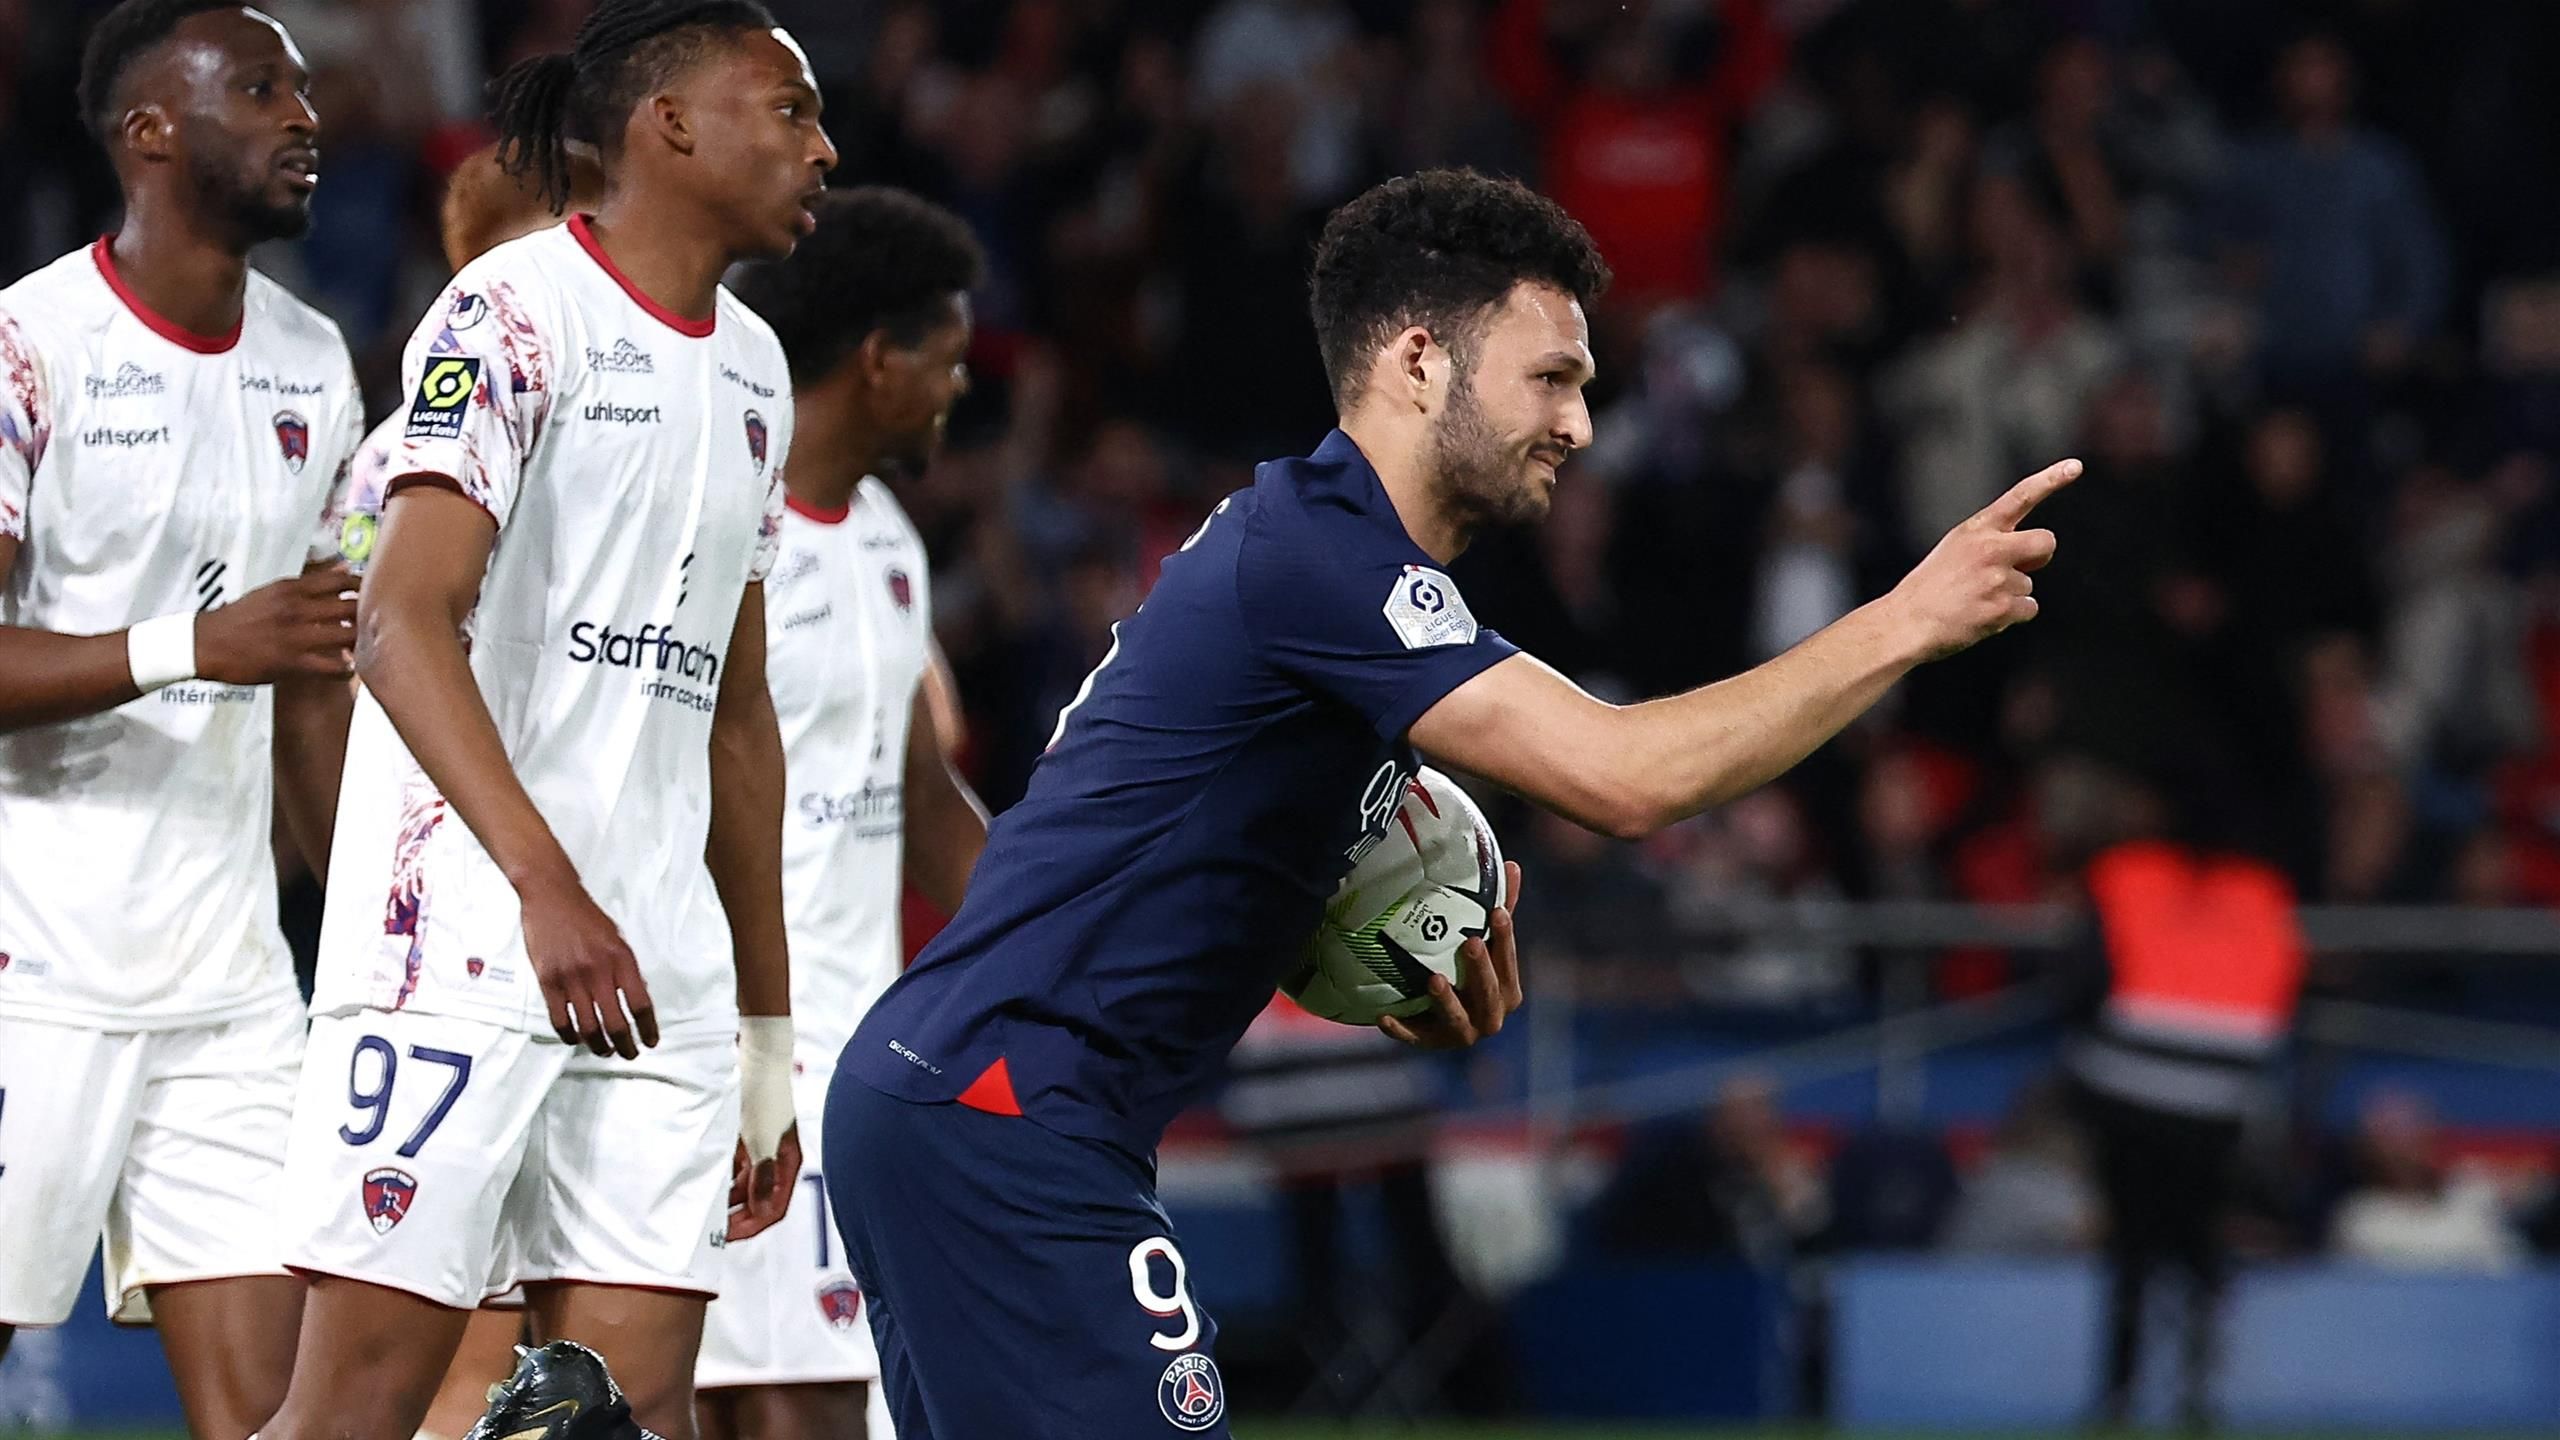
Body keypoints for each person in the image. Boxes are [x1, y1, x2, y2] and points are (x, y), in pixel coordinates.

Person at [820, 167, 2072, 1438]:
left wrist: (1368, 968)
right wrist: (1902, 622)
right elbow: (1626, 778)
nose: (1579, 425)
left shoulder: (1315, 555)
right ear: (1419, 362)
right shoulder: (1326, 564)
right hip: (1006, 1122)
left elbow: (1164, 863)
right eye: (1551, 378)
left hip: (970, 1105)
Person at [257, 4, 835, 1440]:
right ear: (671, 123)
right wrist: (546, 886)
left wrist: (766, 1032)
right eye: (791, 110)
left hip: (655, 983)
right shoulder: (512, 310)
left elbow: (735, 713)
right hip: (462, 948)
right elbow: (399, 623)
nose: (823, 148)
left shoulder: (756, 368)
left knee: (620, 1420)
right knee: (350, 1417)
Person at [0, 4, 362, 1438]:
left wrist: (367, 940)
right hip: (32, 968)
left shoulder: (315, 361)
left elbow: (313, 680)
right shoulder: (29, 345)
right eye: (262, 89)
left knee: (272, 1414)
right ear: (148, 132)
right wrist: (192, 647)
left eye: (305, 88)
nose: (304, 117)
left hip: (229, 986)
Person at [313, 138, 607, 1440]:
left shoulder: (641, 421)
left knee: (584, 1379)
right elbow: (354, 687)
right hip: (453, 943)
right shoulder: (406, 462)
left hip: (590, 930)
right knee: (457, 1360)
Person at [693, 186, 992, 1440]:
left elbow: (920, 794)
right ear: (878, 359)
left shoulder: (885, 538)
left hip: (854, 1051)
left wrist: (1059, 942)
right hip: (734, 1048)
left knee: (821, 1400)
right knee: (787, 1404)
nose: (957, 389)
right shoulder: (721, 523)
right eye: (947, 360)